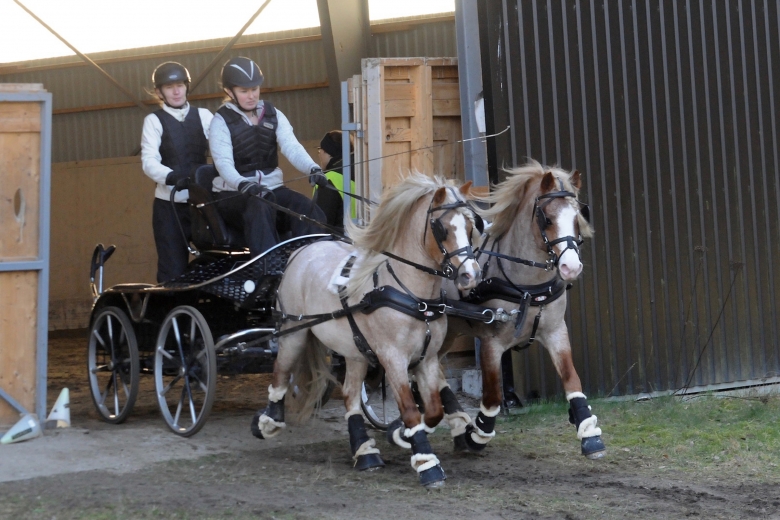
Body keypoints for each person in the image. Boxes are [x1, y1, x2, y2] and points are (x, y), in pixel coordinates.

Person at [209, 56, 326, 256]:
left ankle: (313, 261)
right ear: (229, 91)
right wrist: (242, 183)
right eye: (244, 91)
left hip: (272, 190)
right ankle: (267, 269)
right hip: (234, 195)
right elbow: (223, 163)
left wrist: (312, 168)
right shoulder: (220, 122)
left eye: (254, 89)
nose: (251, 95)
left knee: (307, 208)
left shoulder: (273, 114)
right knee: (260, 206)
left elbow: (292, 147)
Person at [140, 61, 213, 282]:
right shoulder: (153, 121)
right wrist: (171, 176)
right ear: (159, 92)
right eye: (169, 86)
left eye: (180, 85)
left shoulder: (205, 116)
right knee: (172, 271)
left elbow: (223, 151)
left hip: (203, 204)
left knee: (219, 262)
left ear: (186, 87)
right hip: (169, 207)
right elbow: (149, 161)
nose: (176, 91)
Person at [314, 130, 356, 232]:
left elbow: (322, 224)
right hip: (361, 238)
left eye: (320, 150)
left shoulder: (328, 179)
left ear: (328, 153)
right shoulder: (362, 173)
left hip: (339, 243)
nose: (319, 154)